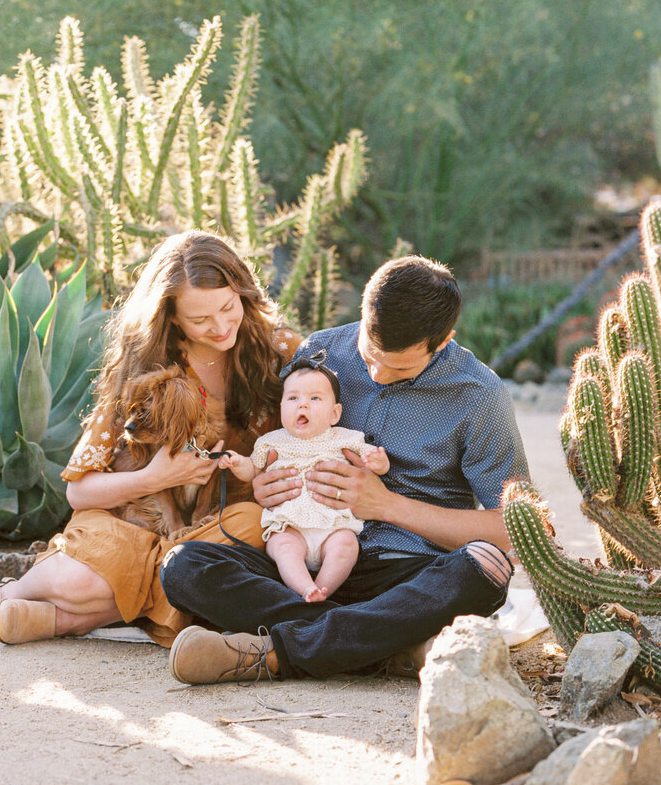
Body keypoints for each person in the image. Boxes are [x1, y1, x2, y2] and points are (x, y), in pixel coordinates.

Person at [160, 254, 527, 683]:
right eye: (370, 355)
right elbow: (279, 446)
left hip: (408, 574)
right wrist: (264, 484)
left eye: (400, 366)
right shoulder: (320, 350)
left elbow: (515, 527)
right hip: (307, 570)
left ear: (443, 341)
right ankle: (387, 644)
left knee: (485, 566)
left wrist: (387, 506)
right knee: (184, 565)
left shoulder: (479, 395)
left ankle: (275, 653)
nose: (377, 373)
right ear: (361, 314)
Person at [0, 230, 302, 646]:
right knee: (93, 575)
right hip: (134, 523)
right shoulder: (145, 364)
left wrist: (269, 480)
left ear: (244, 293)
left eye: (228, 307)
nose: (219, 327)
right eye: (200, 320)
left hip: (215, 528)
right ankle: (29, 597)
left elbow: (320, 425)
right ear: (172, 317)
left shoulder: (281, 351)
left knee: (252, 528)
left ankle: (55, 616)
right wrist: (156, 477)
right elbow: (80, 492)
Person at [218, 352, 389, 603]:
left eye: (315, 398)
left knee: (347, 547)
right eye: (293, 398)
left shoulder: (347, 438)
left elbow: (370, 464)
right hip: (290, 526)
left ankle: (322, 589)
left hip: (333, 527)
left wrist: (379, 462)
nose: (303, 405)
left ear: (334, 414)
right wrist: (235, 462)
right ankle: (304, 589)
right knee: (282, 546)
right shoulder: (271, 441)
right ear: (281, 407)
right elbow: (253, 470)